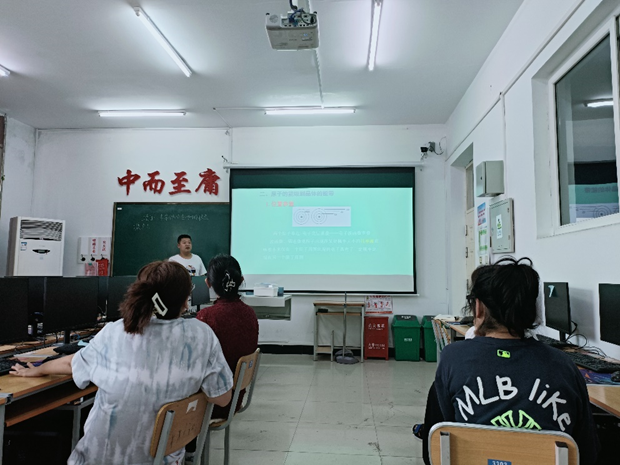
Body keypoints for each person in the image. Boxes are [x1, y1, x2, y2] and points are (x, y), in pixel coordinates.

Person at [11, 261, 233, 465]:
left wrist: (38, 369)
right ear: (185, 300)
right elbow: (222, 398)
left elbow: (71, 364)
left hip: (99, 459)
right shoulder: (202, 335)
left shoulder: (115, 331)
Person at [430, 257, 600, 464]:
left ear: (479, 308)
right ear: (532, 311)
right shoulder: (564, 366)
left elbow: (435, 447)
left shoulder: (453, 358)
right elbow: (587, 453)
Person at [196, 254, 259, 419]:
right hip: (235, 399)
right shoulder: (250, 313)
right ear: (241, 280)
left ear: (207, 283)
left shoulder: (205, 317)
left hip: (210, 403)